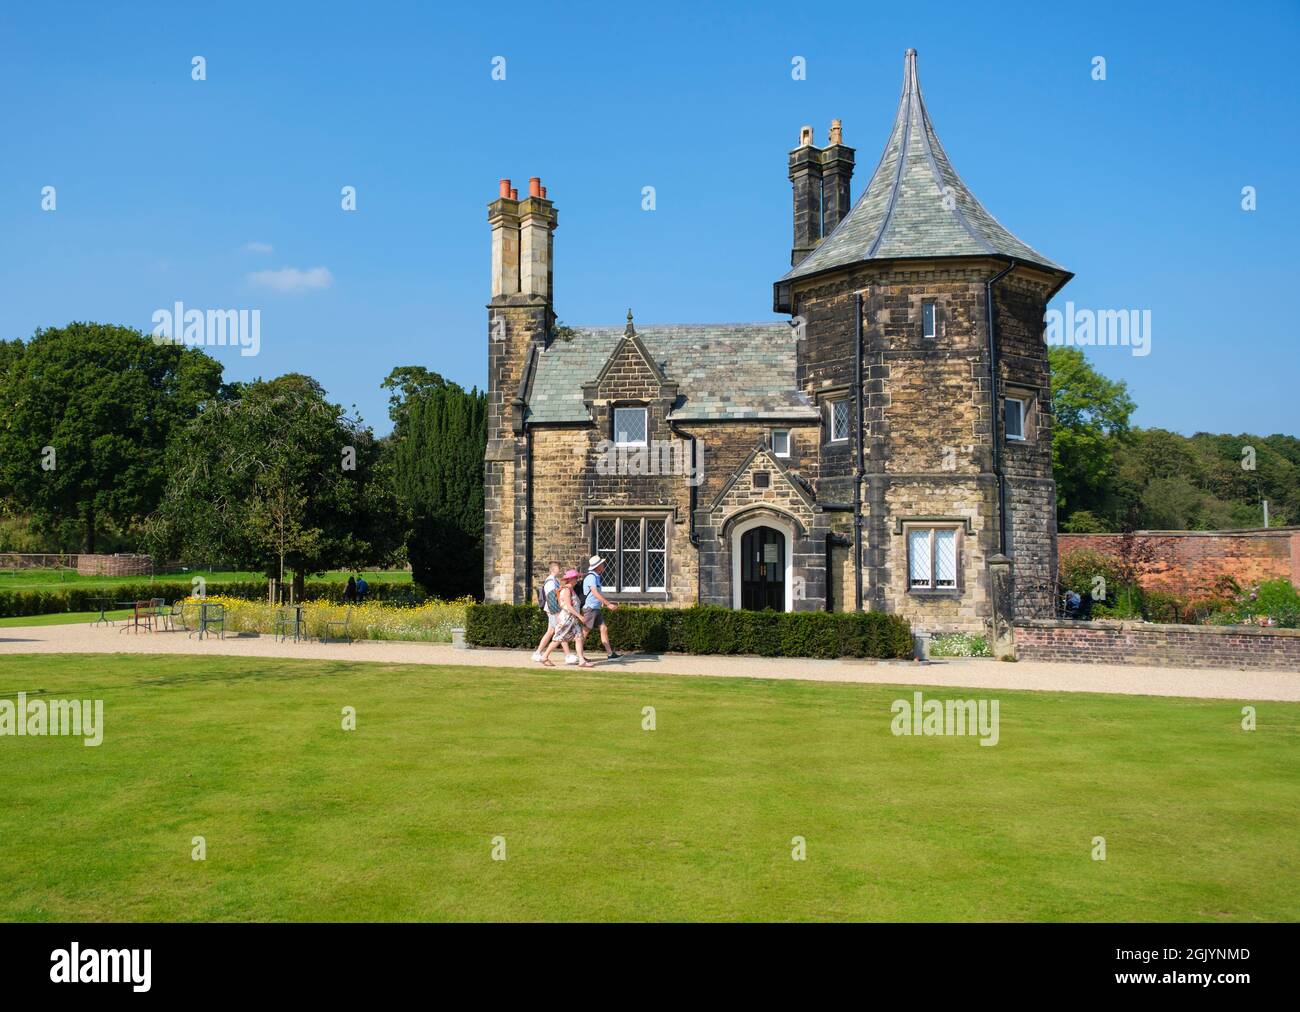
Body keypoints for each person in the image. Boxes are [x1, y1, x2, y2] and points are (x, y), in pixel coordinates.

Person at [541, 570, 592, 667]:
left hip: (572, 619)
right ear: (571, 579)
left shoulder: (571, 589)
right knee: (558, 639)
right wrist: (580, 616)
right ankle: (544, 656)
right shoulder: (566, 590)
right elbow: (568, 606)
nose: (578, 580)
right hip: (566, 619)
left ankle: (581, 661)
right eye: (576, 578)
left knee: (579, 637)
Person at [582, 555, 620, 661]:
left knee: (603, 628)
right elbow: (594, 593)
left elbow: (596, 593)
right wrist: (608, 604)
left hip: (595, 608)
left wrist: (602, 603)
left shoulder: (596, 577)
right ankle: (578, 655)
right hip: (590, 608)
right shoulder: (591, 577)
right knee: (585, 631)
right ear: (597, 566)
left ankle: (610, 654)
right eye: (601, 564)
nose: (603, 565)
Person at [532, 562, 562, 662]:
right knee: (559, 631)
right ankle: (568, 655)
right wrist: (556, 612)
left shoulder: (554, 581)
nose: (560, 569)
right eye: (558, 568)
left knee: (551, 631)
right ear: (553, 569)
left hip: (552, 610)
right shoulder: (551, 581)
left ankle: (538, 652)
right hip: (552, 610)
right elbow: (551, 598)